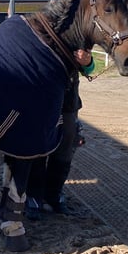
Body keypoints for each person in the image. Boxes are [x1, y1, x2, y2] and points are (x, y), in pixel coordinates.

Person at [24, 49, 94, 219]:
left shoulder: (76, 33)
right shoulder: (38, 29)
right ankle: (33, 197)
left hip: (67, 102)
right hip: (39, 99)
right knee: (38, 148)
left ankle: (54, 195)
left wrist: (88, 62)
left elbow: (89, 69)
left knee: (66, 147)